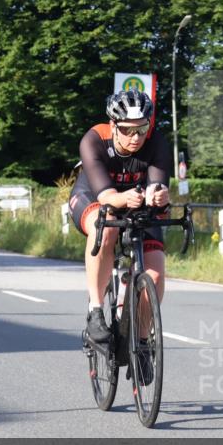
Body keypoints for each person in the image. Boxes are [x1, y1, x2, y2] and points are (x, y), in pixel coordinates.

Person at [68, 90, 172, 377]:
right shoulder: (93, 140)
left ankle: (139, 343)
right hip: (94, 196)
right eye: (127, 130)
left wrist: (160, 196)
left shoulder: (157, 141)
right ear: (114, 126)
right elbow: (107, 197)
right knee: (107, 226)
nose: (136, 137)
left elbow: (158, 186)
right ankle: (96, 310)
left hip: (136, 200)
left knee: (155, 274)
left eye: (142, 129)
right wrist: (125, 198)